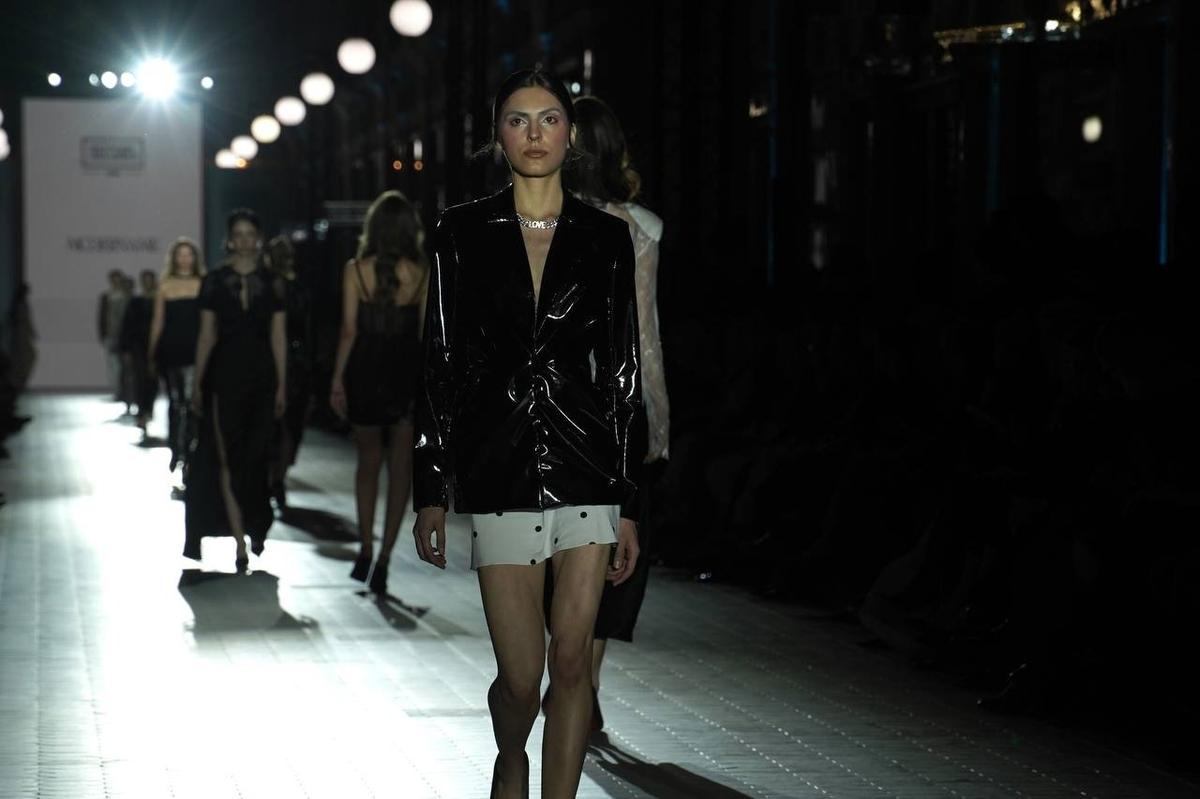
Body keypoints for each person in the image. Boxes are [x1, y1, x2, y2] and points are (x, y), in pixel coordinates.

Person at [412, 68, 644, 799]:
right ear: (498, 136)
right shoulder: (461, 231)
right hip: (500, 464)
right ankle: (511, 755)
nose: (535, 133)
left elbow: (624, 367)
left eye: (549, 119)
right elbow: (439, 361)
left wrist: (630, 497)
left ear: (571, 135)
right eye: (519, 120)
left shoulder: (607, 237)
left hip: (587, 461)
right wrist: (431, 487)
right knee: (520, 678)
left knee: (572, 663)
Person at [543, 94, 671, 732]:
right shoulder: (642, 227)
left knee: (557, 549)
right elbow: (645, 334)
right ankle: (583, 682)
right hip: (620, 407)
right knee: (615, 555)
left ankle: (567, 677)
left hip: (554, 405)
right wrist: (658, 421)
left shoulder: (539, 221)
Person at [330, 191, 426, 595]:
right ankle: (385, 557)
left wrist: (337, 379)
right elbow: (425, 336)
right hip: (405, 373)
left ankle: (366, 548)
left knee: (367, 463)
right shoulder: (421, 273)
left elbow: (349, 330)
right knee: (400, 469)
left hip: (365, 371)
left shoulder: (355, 270)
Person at [184, 210, 286, 569]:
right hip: (223, 376)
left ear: (259, 238)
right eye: (238, 234)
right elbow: (206, 335)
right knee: (227, 457)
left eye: (250, 233)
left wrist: (282, 385)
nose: (244, 240)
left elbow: (278, 336)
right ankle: (240, 541)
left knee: (255, 458)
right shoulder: (213, 281)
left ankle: (255, 524)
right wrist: (197, 384)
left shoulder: (273, 281)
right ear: (229, 239)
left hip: (262, 377)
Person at [149, 238, 204, 483]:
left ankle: (188, 454)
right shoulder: (165, 286)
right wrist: (152, 353)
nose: (184, 259)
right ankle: (176, 449)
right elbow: (158, 322)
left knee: (192, 404)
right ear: (174, 258)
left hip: (196, 350)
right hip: (172, 350)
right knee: (176, 402)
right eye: (180, 254)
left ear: (195, 258)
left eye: (188, 254)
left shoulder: (203, 284)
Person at [266, 235, 312, 509]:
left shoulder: (269, 286)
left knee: (279, 426)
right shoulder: (297, 287)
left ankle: (274, 479)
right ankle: (278, 480)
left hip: (281, 360)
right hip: (294, 360)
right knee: (287, 427)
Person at [119, 269, 159, 435]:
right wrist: (126, 349)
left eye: (150, 280)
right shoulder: (136, 302)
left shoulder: (159, 301)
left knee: (153, 381)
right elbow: (127, 326)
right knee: (140, 380)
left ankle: (147, 410)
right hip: (138, 347)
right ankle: (142, 413)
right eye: (145, 280)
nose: (148, 283)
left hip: (156, 347)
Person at [97, 270, 131, 409]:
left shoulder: (127, 296)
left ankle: (123, 392)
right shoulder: (106, 296)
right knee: (113, 365)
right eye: (113, 279)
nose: (115, 282)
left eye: (117, 279)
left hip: (123, 336)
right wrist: (102, 333)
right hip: (111, 335)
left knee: (123, 367)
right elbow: (102, 317)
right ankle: (117, 391)